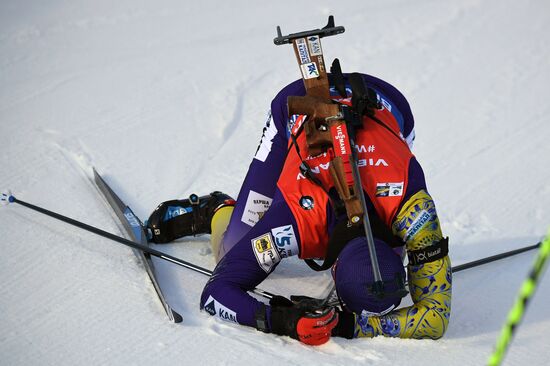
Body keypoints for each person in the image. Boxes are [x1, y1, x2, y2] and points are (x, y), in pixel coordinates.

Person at [146, 72, 452, 345]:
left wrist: (351, 325)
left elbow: (436, 320)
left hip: (388, 104)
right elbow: (215, 293)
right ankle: (216, 209)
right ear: (333, 269)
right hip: (296, 107)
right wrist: (281, 321)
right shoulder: (295, 221)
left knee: (378, 281)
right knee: (232, 247)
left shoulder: (414, 212)